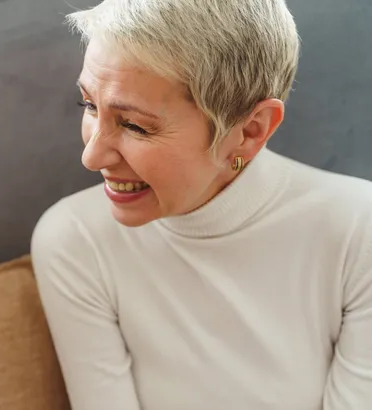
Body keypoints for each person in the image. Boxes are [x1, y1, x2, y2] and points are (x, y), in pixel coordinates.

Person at [30, 1, 372, 409]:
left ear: (249, 130)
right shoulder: (75, 242)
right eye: (89, 105)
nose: (91, 156)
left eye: (135, 124)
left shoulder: (358, 231)